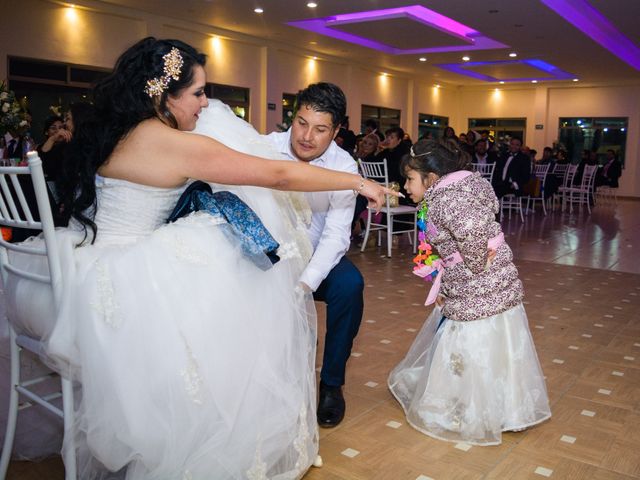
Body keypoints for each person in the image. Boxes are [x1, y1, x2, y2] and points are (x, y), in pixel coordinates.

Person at [3, 38, 395, 479]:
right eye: (198, 93)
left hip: (57, 278)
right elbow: (280, 175)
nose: (205, 103)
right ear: (162, 95)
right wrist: (358, 183)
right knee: (235, 296)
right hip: (113, 295)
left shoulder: (114, 129)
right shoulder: (169, 142)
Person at [388, 139, 551, 446]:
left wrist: (473, 264)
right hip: (489, 284)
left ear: (431, 178)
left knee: (470, 343)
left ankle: (468, 406)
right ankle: (505, 406)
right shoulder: (460, 189)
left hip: (478, 286)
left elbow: (474, 232)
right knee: (498, 344)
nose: (407, 186)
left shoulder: (446, 199)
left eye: (410, 179)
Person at [266, 82, 365, 428]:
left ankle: (332, 385)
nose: (306, 136)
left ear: (337, 131)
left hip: (315, 258)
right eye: (301, 123)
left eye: (320, 129)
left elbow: (337, 236)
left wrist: (305, 282)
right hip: (269, 255)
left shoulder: (345, 168)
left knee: (350, 285)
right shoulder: (265, 149)